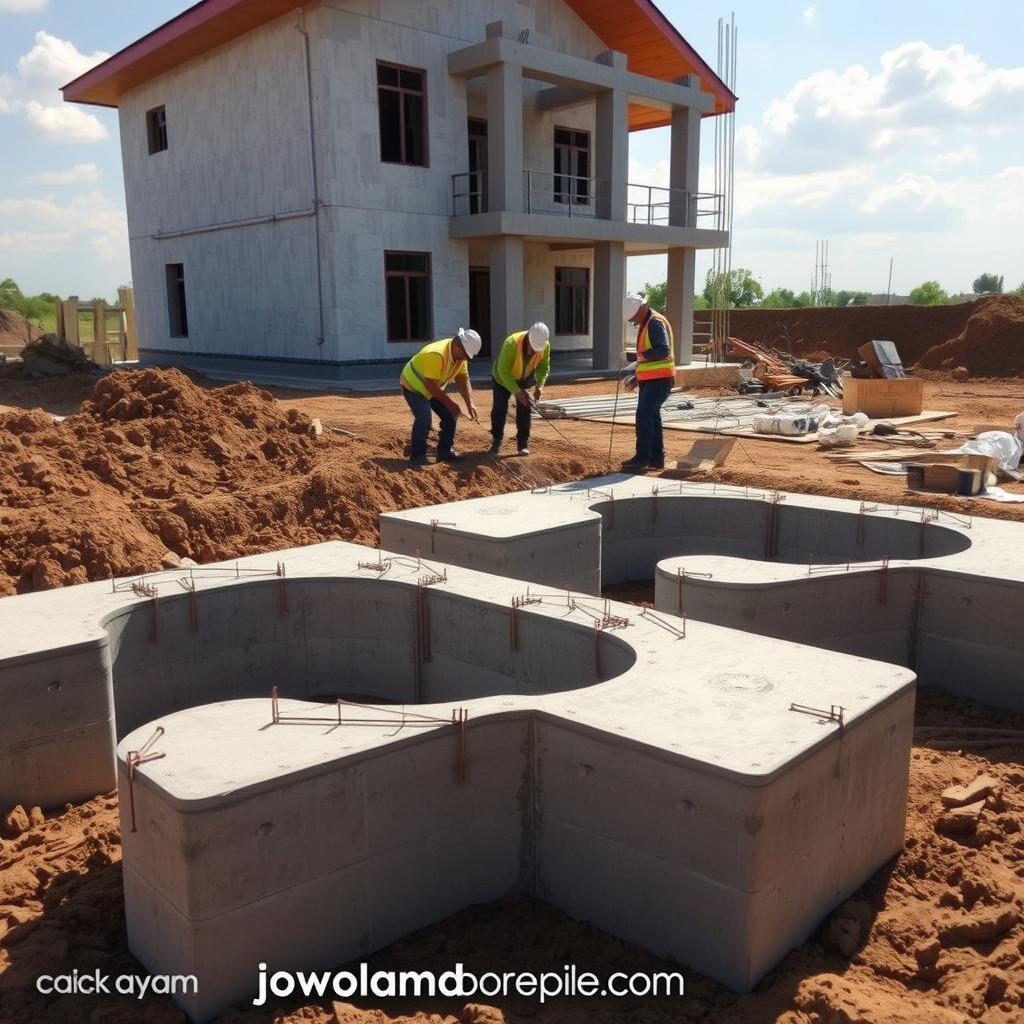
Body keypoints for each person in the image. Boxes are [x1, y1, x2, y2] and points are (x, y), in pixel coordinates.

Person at [399, 328, 481, 466]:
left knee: (450, 414)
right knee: (424, 417)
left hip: (432, 388)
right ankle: (417, 456)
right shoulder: (436, 354)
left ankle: (444, 452)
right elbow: (430, 385)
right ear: (458, 345)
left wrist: (469, 403)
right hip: (413, 387)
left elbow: (462, 379)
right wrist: (451, 403)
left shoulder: (460, 357)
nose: (465, 359)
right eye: (465, 355)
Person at [621, 295, 675, 472]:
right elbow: (649, 363)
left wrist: (640, 357)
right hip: (653, 379)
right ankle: (655, 460)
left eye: (634, 317)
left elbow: (663, 349)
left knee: (644, 416)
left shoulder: (654, 323)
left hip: (660, 380)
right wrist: (637, 379)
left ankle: (643, 458)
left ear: (641, 309)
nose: (634, 321)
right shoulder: (647, 322)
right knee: (652, 417)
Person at [488, 322, 551, 457]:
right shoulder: (511, 343)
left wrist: (540, 385)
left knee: (525, 406)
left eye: (536, 350)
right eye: (532, 348)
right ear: (528, 338)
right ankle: (496, 440)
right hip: (502, 379)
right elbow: (503, 371)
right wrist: (517, 392)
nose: (534, 351)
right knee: (500, 408)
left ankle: (522, 443)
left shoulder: (544, 346)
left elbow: (543, 367)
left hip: (524, 378)